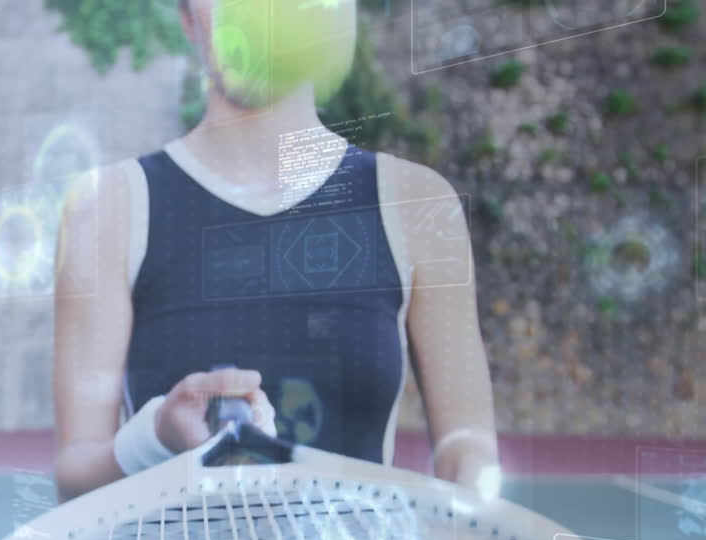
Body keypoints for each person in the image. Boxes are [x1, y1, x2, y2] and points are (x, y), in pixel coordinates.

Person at [52, 0, 499, 502]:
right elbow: (74, 475)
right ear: (187, 15)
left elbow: (469, 453)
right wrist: (155, 436)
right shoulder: (106, 208)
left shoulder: (417, 203)